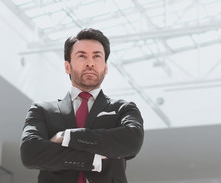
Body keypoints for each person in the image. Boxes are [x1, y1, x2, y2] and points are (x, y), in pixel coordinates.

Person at [20, 28, 144, 183]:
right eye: (82, 56)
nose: (90, 63)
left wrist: (67, 136)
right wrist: (92, 160)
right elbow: (31, 152)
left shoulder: (123, 109)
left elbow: (131, 141)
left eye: (97, 56)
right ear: (67, 66)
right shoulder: (42, 110)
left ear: (105, 67)